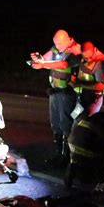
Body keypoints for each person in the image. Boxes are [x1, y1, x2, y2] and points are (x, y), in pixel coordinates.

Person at [30, 29, 81, 165]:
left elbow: (64, 64)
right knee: (56, 124)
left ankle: (68, 158)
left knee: (66, 124)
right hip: (55, 91)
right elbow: (46, 58)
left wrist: (43, 65)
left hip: (67, 92)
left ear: (68, 39)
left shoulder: (75, 50)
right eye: (55, 44)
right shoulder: (57, 48)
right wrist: (38, 60)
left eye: (59, 44)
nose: (57, 47)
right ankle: (59, 155)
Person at [70, 41, 104, 120]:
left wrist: (80, 85)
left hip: (93, 100)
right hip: (82, 97)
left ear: (95, 50)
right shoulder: (84, 56)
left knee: (87, 121)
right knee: (74, 117)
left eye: (90, 57)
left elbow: (100, 86)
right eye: (85, 57)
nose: (88, 59)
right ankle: (70, 131)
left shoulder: (100, 63)